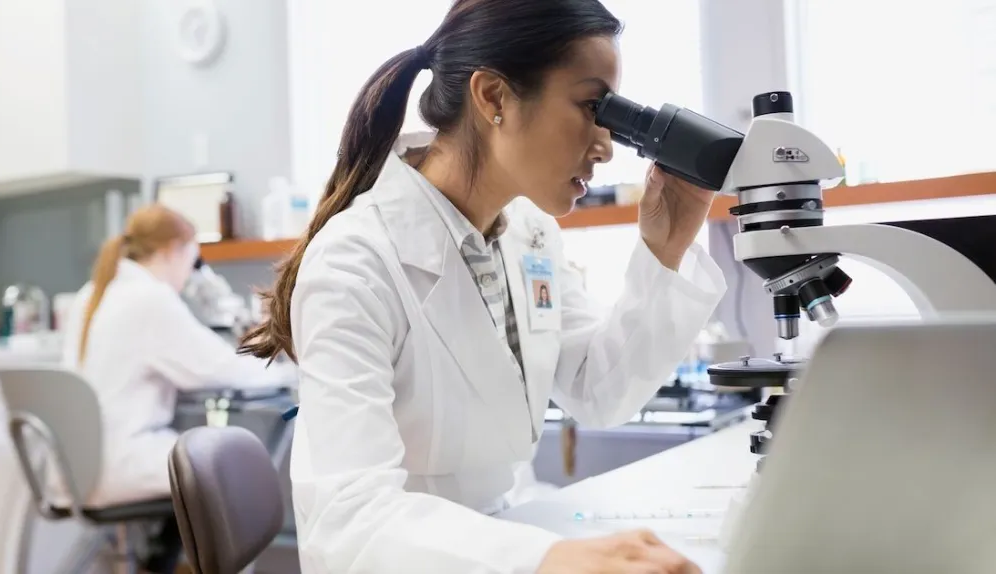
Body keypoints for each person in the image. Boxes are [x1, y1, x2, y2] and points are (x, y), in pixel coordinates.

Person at [240, 0, 726, 572]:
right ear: (494, 97)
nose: (606, 143)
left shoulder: (529, 233)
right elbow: (348, 521)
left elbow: (598, 389)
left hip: (516, 530)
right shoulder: (355, 262)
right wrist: (546, 560)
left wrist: (663, 251)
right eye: (593, 106)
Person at [62, 204, 294, 573]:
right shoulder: (149, 298)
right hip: (119, 463)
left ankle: (158, 565)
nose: (190, 274)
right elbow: (220, 370)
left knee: (193, 463)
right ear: (173, 249)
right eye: (192, 259)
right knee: (218, 470)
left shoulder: (93, 292)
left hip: (77, 464)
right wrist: (289, 373)